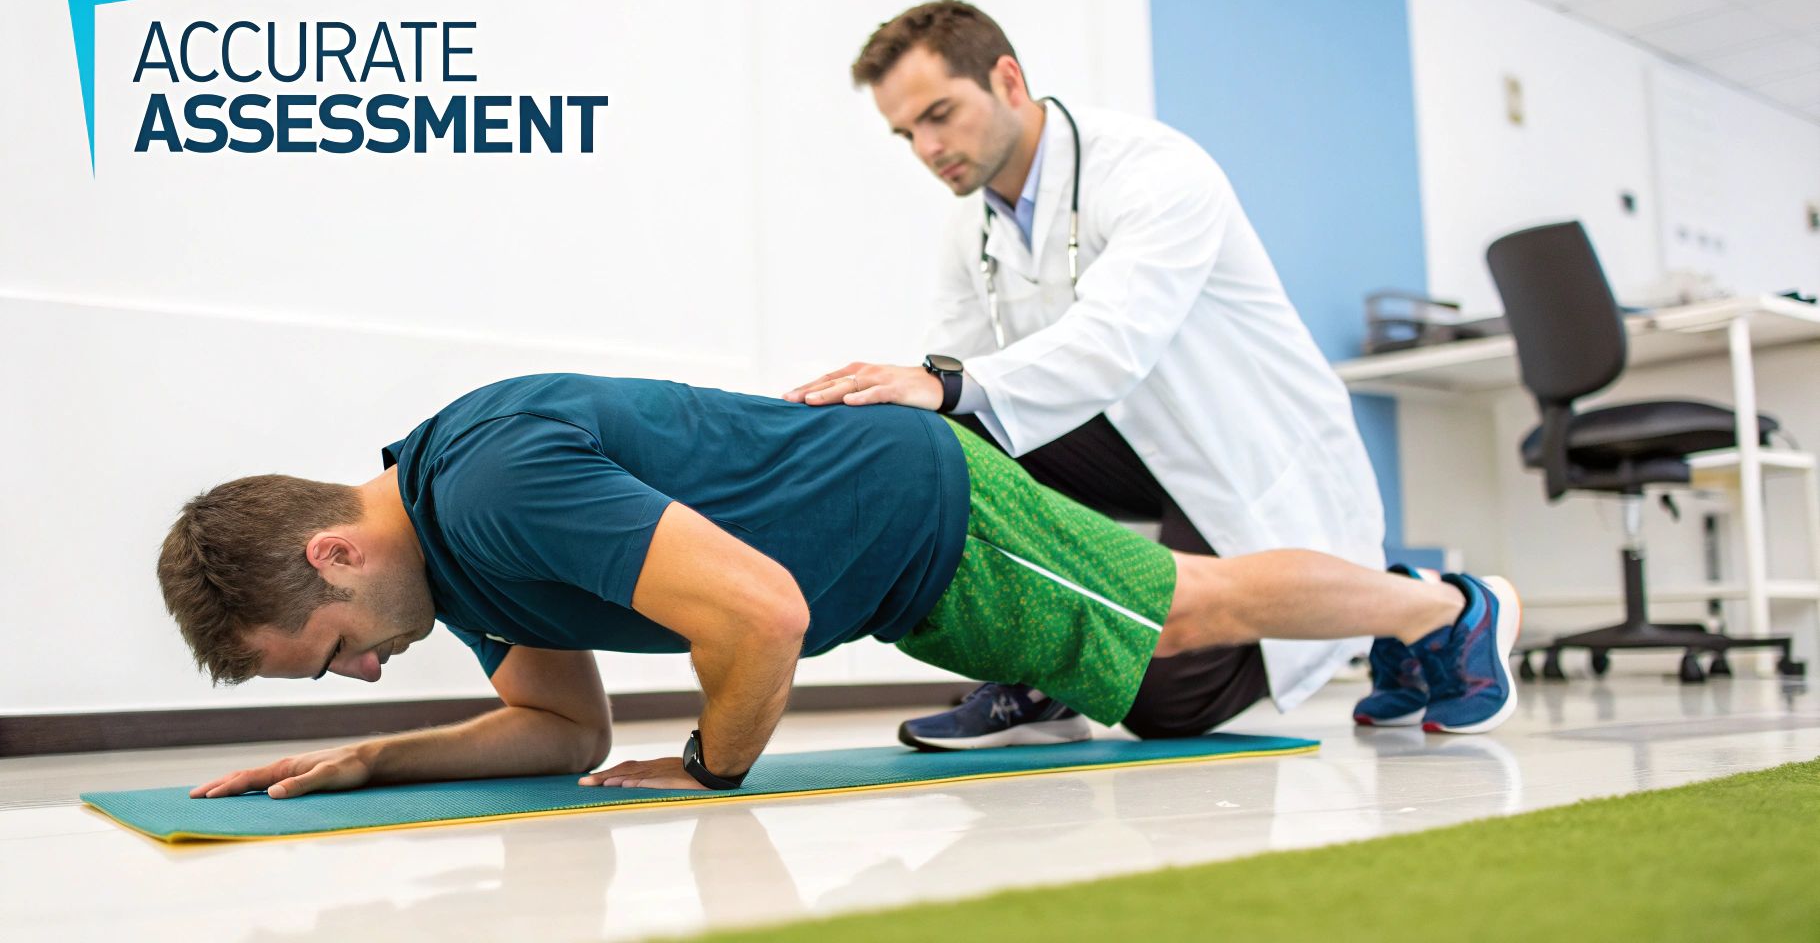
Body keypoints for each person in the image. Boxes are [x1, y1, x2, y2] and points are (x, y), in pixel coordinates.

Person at [161, 374, 1520, 801]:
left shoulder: (493, 484)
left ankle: (1449, 615)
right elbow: (564, 735)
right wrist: (371, 759)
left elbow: (761, 616)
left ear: (336, 554)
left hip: (930, 512)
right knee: (1173, 638)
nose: (363, 670)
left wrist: (709, 764)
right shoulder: (449, 560)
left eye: (331, 651)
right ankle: (1414, 615)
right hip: (892, 562)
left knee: (1188, 609)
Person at [783, 0, 1395, 749]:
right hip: (1138, 450)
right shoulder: (969, 227)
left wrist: (941, 382)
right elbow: (960, 375)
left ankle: (1426, 604)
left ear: (1007, 79)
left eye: (940, 113)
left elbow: (1113, 340)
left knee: (1159, 701)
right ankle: (1032, 668)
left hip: (1248, 453)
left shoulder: (1157, 170)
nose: (926, 147)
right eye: (907, 132)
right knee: (936, 434)